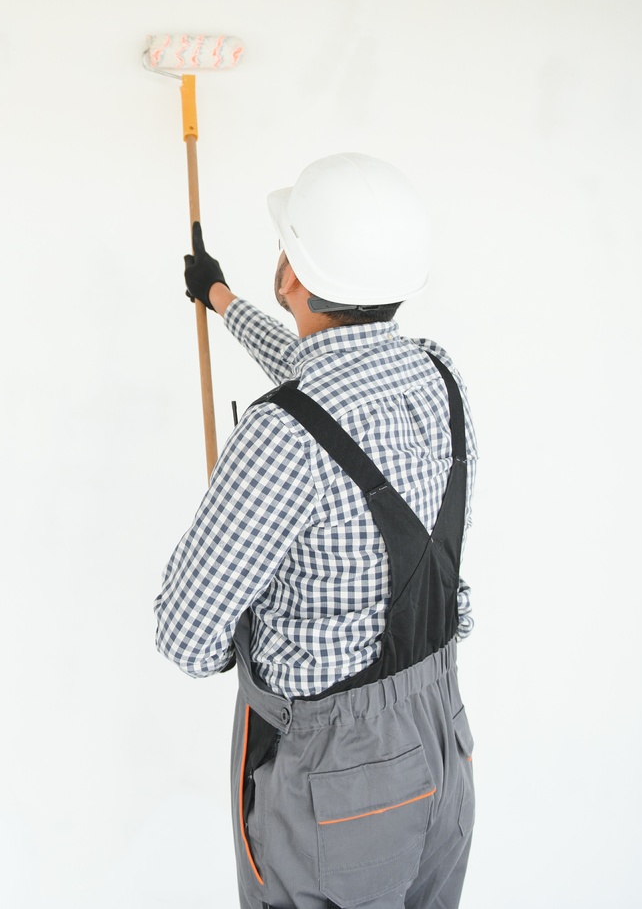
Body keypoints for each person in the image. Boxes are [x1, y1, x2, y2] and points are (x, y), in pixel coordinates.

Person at [155, 153, 479, 909]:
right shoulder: (438, 375)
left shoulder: (279, 437)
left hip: (340, 783)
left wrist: (250, 590)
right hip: (443, 749)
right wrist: (221, 298)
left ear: (292, 273)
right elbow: (324, 373)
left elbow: (184, 636)